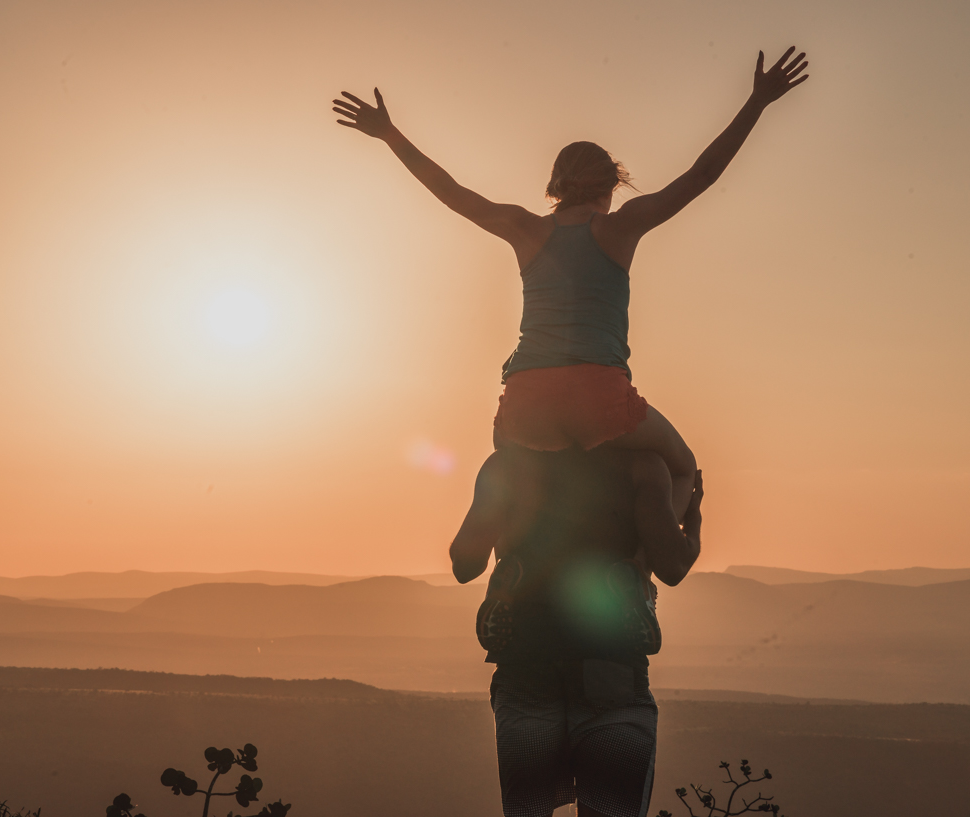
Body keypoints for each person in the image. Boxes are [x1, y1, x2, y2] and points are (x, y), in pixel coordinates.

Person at [334, 48, 809, 518]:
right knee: (682, 466)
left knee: (507, 458)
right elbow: (703, 174)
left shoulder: (525, 229)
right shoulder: (622, 226)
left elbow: (452, 192)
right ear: (611, 184)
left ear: (556, 185)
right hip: (599, 397)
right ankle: (649, 566)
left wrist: (390, 134)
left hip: (523, 403)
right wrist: (757, 102)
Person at [450, 444, 702, 817]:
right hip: (612, 671)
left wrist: (505, 528)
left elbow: (465, 563)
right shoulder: (641, 464)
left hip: (527, 666)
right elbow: (675, 566)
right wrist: (692, 522)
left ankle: (514, 576)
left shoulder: (507, 463)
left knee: (528, 809)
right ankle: (631, 579)